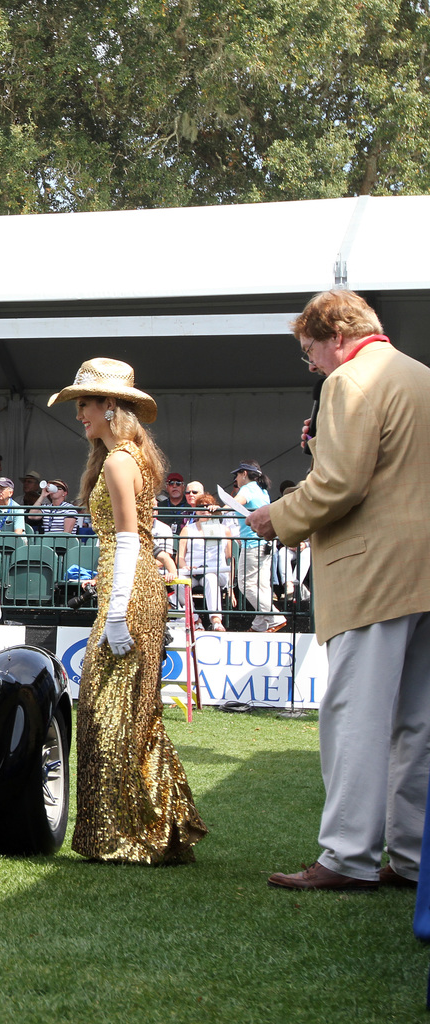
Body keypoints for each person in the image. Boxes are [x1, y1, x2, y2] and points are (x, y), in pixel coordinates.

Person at [250, 289, 430, 891]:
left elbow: (340, 485)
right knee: (418, 724)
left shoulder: (348, 383)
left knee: (354, 716)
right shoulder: (419, 376)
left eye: (310, 353)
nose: (313, 366)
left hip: (370, 570)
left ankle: (347, 857)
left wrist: (281, 516)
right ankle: (410, 858)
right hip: (423, 572)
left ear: (337, 336)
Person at [48, 357, 206, 864]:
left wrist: (116, 610)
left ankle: (131, 835)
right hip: (131, 589)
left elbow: (126, 538)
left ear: (110, 407)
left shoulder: (119, 461)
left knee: (109, 713)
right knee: (126, 714)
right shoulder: (127, 456)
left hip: (130, 595)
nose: (81, 416)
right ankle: (146, 829)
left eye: (86, 405)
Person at [229, 460, 285, 632]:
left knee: (246, 584)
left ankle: (275, 617)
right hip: (265, 543)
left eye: (237, 475)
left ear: (244, 474)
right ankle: (260, 624)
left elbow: (236, 502)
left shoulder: (248, 488)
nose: (236, 480)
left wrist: (218, 508)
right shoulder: (262, 491)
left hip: (252, 543)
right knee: (261, 586)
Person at [178, 493, 230, 631]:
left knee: (210, 578)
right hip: (192, 571)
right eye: (201, 506)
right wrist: (186, 567)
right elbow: (180, 557)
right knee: (178, 582)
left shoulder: (222, 529)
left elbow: (230, 556)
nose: (204, 509)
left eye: (207, 506)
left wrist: (217, 513)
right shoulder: (188, 529)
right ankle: (195, 619)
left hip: (215, 571)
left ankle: (216, 620)